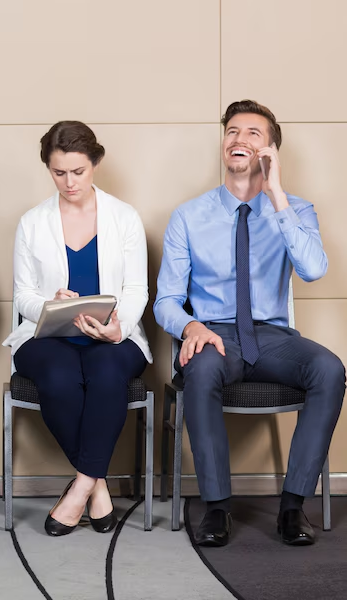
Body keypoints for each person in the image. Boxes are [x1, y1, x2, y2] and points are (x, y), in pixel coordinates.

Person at [155, 100, 345, 547]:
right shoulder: (188, 216)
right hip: (215, 334)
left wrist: (277, 195)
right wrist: (190, 328)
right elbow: (166, 300)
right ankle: (217, 508)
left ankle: (293, 505)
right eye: (232, 132)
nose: (239, 139)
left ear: (271, 151)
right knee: (199, 371)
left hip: (272, 337)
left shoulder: (295, 209)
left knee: (330, 369)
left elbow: (315, 268)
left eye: (253, 134)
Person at [3, 121, 152, 536]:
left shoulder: (124, 218)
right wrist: (51, 304)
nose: (69, 182)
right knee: (58, 377)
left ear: (96, 164)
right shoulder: (32, 222)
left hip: (114, 335)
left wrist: (118, 329)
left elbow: (137, 289)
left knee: (107, 374)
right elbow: (23, 296)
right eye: (58, 172)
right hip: (47, 336)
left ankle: (79, 489)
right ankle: (97, 486)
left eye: (78, 172)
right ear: (48, 169)